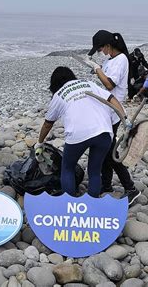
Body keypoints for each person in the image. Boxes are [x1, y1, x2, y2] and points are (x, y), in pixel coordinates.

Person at [36, 67, 129, 198]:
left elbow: (47, 124)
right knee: (94, 170)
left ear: (54, 83)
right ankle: (92, 202)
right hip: (103, 131)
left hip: (77, 135)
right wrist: (125, 119)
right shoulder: (88, 84)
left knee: (67, 167)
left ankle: (69, 202)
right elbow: (111, 98)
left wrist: (39, 142)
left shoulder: (59, 95)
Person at [85, 30, 140, 204]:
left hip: (113, 113)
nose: (101, 51)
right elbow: (105, 79)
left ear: (108, 45)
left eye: (101, 48)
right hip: (105, 113)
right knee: (104, 150)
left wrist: (97, 68)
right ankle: (106, 184)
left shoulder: (121, 59)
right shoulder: (110, 60)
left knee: (110, 153)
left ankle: (131, 188)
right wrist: (97, 70)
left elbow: (109, 84)